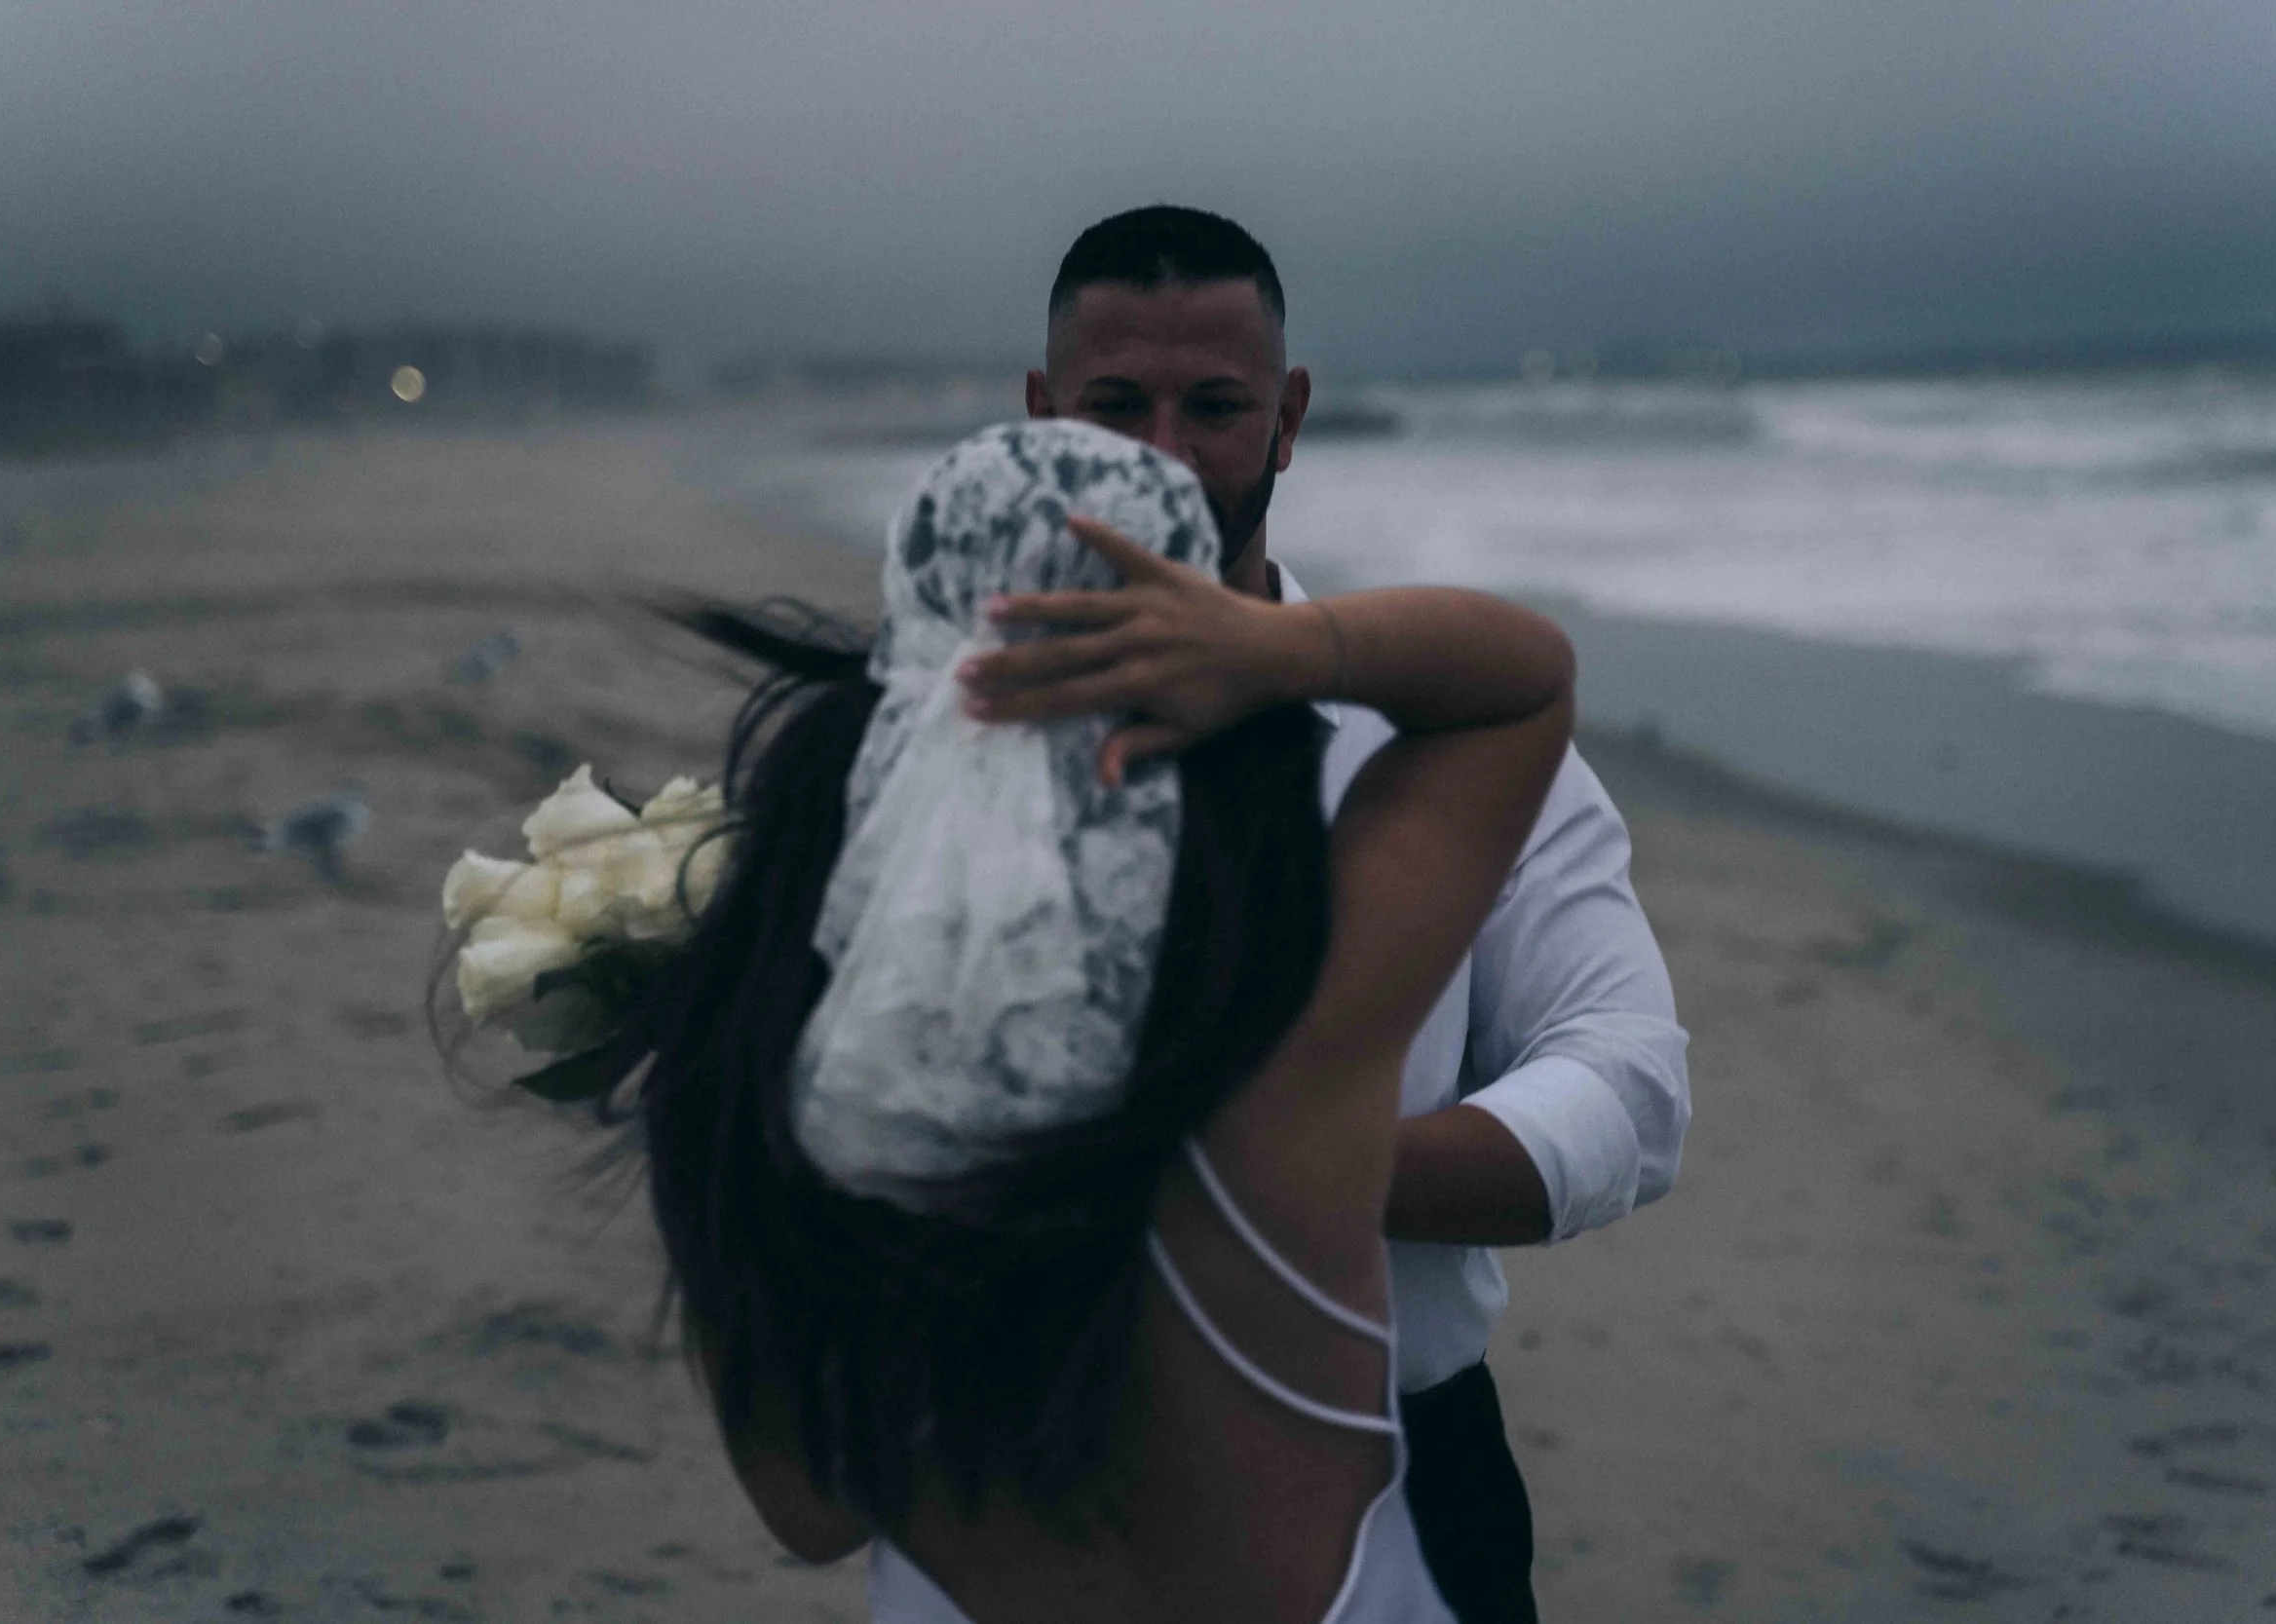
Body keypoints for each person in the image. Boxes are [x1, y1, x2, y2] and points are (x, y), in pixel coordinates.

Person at [619, 418, 1575, 1620]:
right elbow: (1519, 684)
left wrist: (708, 1053)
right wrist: (1284, 645)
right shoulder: (1295, 1079)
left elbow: (804, 1513)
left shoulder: (772, 1131)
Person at [1023, 206, 1692, 1622]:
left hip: (1403, 1461)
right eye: (1113, 405)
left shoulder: (1455, 743)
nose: (1165, 453)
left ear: (1290, 416)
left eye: (1214, 405)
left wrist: (1292, 1172)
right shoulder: (934, 743)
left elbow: (1629, 1081)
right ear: (1038, 418)